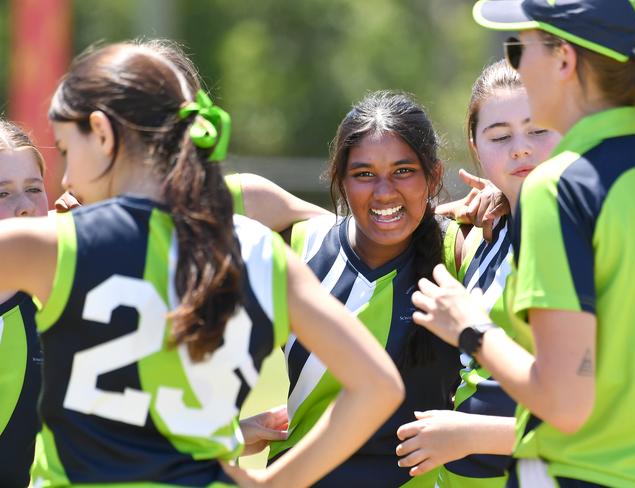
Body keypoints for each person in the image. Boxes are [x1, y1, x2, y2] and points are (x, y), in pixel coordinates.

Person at [0, 40, 404, 487]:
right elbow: (379, 385)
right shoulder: (261, 252)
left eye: (67, 148)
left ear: (102, 133)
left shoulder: (54, 245)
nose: (68, 178)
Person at [411, 1, 635, 486]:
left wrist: (470, 328)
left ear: (563, 60)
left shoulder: (559, 189)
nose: (515, 63)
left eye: (520, 47)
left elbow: (564, 402)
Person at [226, 90, 464, 487]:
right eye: (364, 174)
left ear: (434, 176)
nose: (384, 192)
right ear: (340, 178)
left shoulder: (461, 250)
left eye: (403, 171)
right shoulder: (299, 245)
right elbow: (160, 206)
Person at [395, 60, 560, 487]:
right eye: (500, 136)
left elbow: (609, 415)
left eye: (538, 129)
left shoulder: (589, 236)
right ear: (475, 147)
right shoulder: (485, 234)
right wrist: (461, 209)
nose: (520, 148)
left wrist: (470, 434)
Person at [0, 120, 49, 487]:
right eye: (2, 194)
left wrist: (234, 435)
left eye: (34, 189)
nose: (24, 208)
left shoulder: (61, 304)